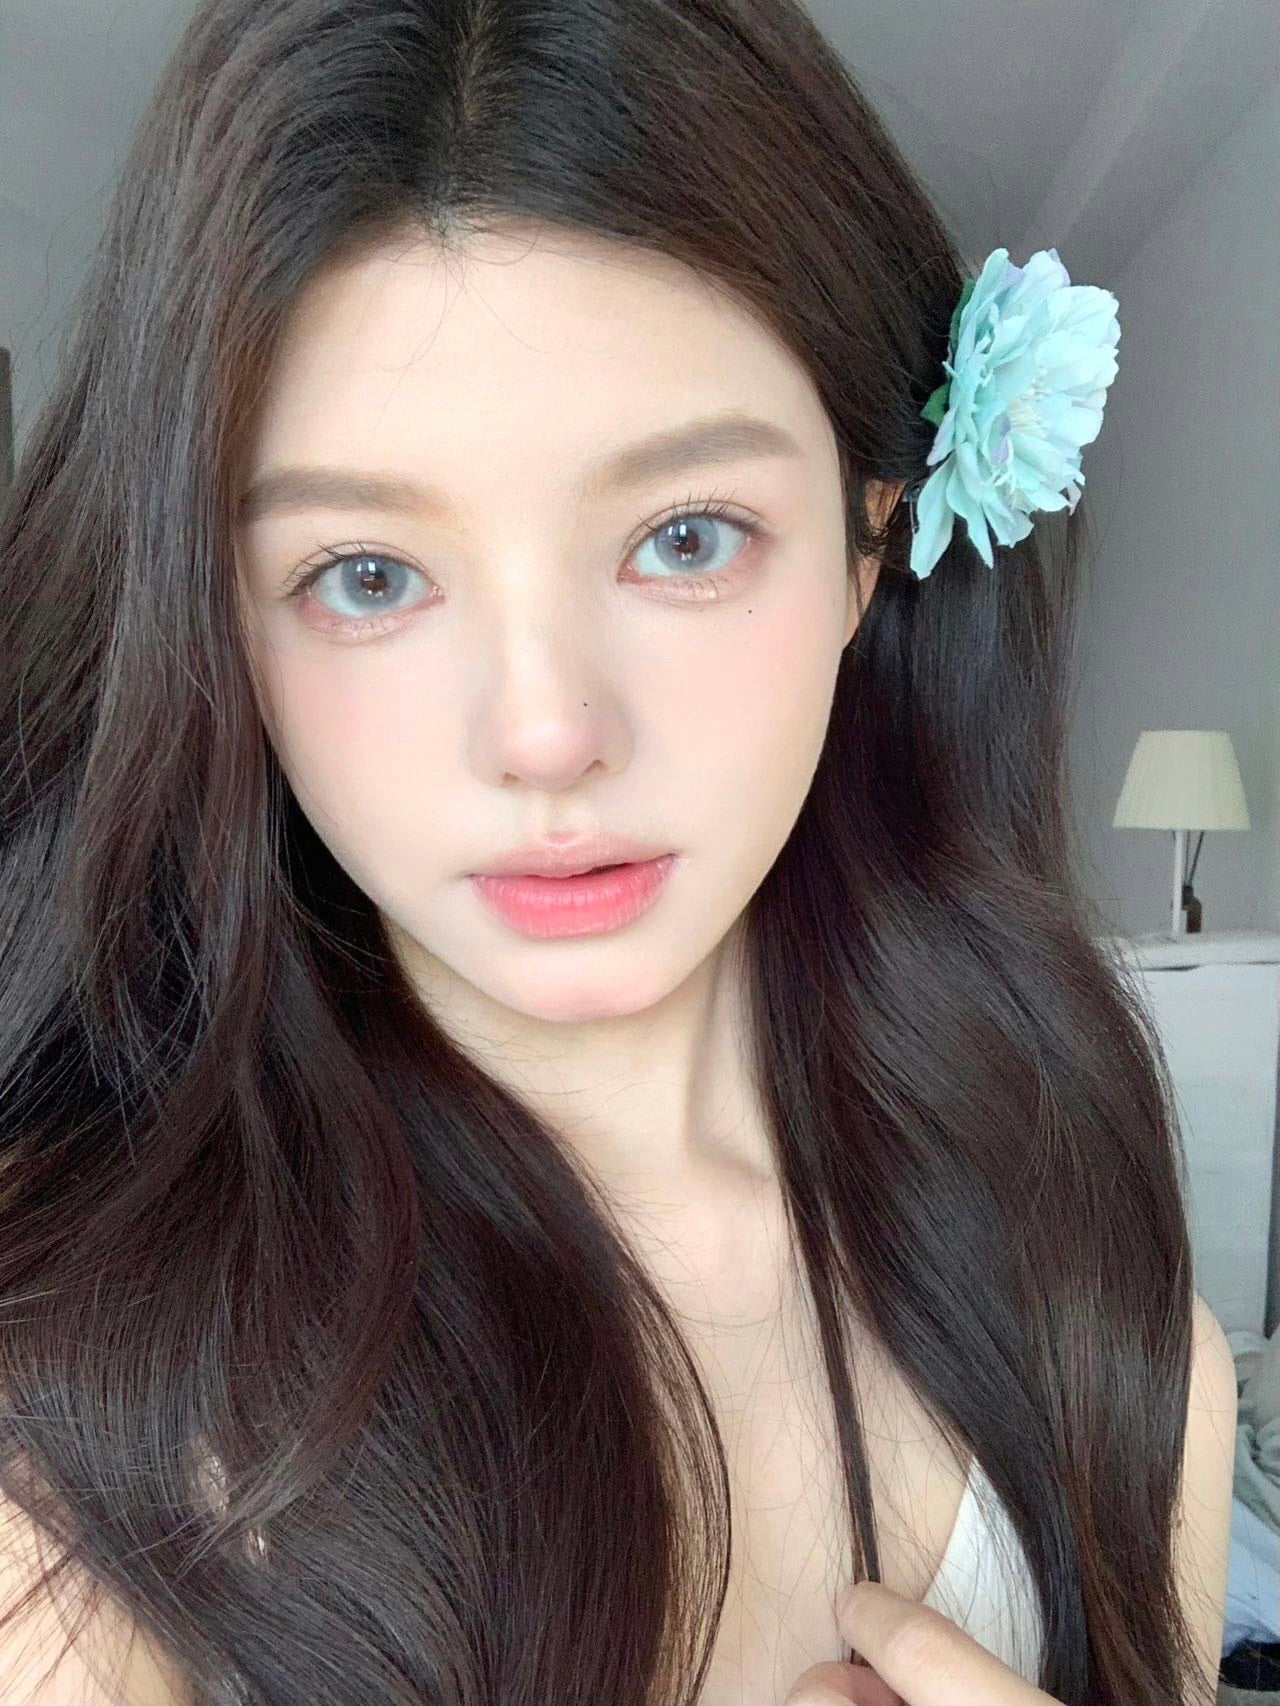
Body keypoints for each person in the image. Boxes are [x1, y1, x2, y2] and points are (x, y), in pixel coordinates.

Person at [0, 0, 1235, 1702]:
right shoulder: (76, 1420)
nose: (545, 731)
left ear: (869, 552)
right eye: (366, 574)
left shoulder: (1097, 1296)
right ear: (222, 629)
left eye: (686, 536)